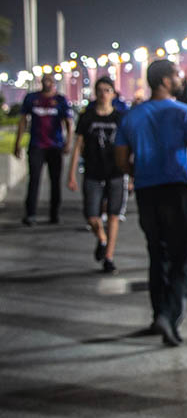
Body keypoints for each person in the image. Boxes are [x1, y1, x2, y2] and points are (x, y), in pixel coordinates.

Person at [114, 60, 187, 346]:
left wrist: (140, 172)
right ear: (165, 81)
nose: (181, 79)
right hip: (178, 192)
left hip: (147, 193)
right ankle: (171, 316)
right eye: (177, 75)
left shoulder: (132, 117)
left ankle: (159, 314)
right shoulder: (185, 113)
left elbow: (120, 161)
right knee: (184, 258)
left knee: (158, 254)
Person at [67, 76, 126, 273]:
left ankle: (109, 257)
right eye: (100, 90)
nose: (103, 94)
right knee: (92, 216)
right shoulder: (87, 117)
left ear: (113, 93)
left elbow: (129, 147)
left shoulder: (120, 118)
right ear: (95, 92)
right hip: (92, 171)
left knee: (113, 216)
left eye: (107, 90)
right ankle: (102, 238)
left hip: (116, 172)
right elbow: (78, 146)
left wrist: (132, 175)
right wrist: (71, 174)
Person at [14, 72, 73, 225]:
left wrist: (68, 143)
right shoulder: (32, 98)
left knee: (55, 182)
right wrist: (17, 143)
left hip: (55, 147)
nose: (47, 82)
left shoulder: (60, 100)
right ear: (41, 82)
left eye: (50, 80)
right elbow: (23, 121)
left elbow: (68, 122)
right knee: (34, 180)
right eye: (45, 80)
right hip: (36, 146)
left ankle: (54, 214)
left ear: (54, 82)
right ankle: (30, 214)